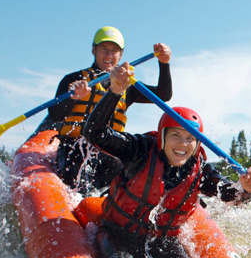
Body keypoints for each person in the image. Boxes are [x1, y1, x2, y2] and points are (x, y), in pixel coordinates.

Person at [80, 62, 251, 258]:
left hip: (161, 241)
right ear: (162, 136)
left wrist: (247, 189)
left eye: (190, 139)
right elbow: (94, 133)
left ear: (198, 144)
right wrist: (115, 91)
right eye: (176, 136)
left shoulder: (200, 169)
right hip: (119, 235)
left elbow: (229, 195)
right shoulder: (139, 149)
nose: (183, 145)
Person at [37, 26, 173, 194]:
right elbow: (55, 114)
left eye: (114, 51)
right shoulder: (74, 79)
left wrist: (164, 63)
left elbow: (163, 94)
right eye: (104, 49)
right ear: (94, 50)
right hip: (74, 148)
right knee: (79, 183)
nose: (109, 55)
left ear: (121, 55)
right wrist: (74, 98)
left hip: (109, 152)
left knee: (120, 176)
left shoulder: (127, 86)